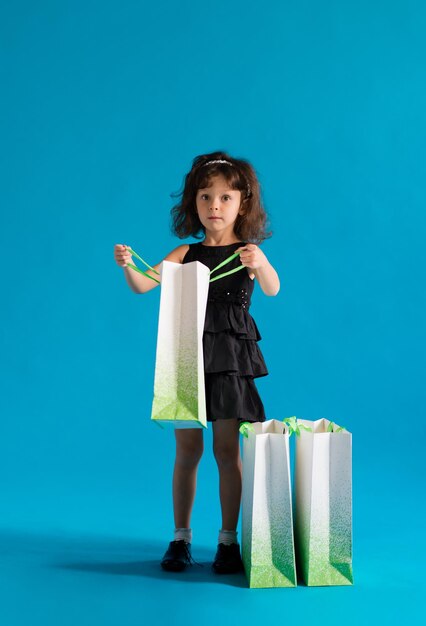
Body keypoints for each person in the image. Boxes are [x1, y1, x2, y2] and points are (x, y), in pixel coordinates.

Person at [113, 151, 280, 575]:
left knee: (227, 450)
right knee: (187, 450)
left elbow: (274, 289)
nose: (215, 207)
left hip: (228, 362)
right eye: (205, 198)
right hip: (186, 356)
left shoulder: (248, 253)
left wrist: (261, 264)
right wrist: (129, 265)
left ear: (243, 203)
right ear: (195, 204)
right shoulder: (184, 254)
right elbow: (142, 286)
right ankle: (181, 538)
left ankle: (228, 541)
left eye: (225, 198)